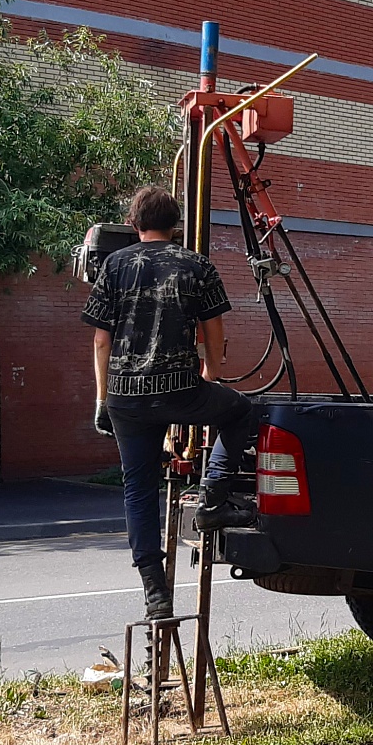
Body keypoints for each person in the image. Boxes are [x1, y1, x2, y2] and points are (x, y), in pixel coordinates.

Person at [82, 185, 257, 620]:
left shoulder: (113, 265)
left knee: (138, 489)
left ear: (135, 223)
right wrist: (212, 372)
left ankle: (155, 593)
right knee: (241, 412)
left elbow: (101, 340)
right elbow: (213, 329)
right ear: (176, 224)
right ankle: (214, 496)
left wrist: (103, 399)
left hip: (126, 397)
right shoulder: (196, 265)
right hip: (181, 391)